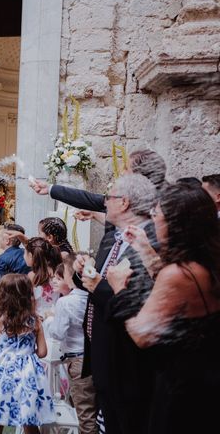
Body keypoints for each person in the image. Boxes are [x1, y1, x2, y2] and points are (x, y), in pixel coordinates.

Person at [108, 183, 220, 434]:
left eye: (156, 214)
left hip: (181, 383)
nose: (153, 220)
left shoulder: (178, 274)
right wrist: (145, 249)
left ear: (175, 223)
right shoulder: (207, 260)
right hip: (207, 375)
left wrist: (119, 290)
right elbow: (180, 289)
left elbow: (141, 335)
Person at [73, 173, 158, 434]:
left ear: (124, 203)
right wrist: (82, 273)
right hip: (104, 356)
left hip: (127, 362)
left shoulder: (149, 243)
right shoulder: (115, 237)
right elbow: (97, 282)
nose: (104, 203)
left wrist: (98, 285)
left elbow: (139, 302)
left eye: (108, 197)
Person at [0, 274, 54, 434]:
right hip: (28, 375)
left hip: (3, 374)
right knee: (29, 420)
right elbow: (42, 352)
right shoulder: (35, 322)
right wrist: (28, 352)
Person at [45, 259, 98, 434]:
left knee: (85, 414)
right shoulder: (94, 297)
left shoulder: (66, 302)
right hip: (96, 356)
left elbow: (58, 333)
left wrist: (51, 319)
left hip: (78, 360)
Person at [29, 149, 167, 213]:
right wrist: (51, 189)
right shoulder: (128, 199)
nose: (122, 172)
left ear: (141, 177)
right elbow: (93, 199)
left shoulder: (154, 212)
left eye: (126, 168)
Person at [24, 237, 62, 317]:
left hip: (39, 319)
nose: (23, 256)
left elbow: (29, 303)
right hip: (57, 315)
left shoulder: (32, 276)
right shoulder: (57, 272)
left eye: (24, 253)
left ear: (31, 256)